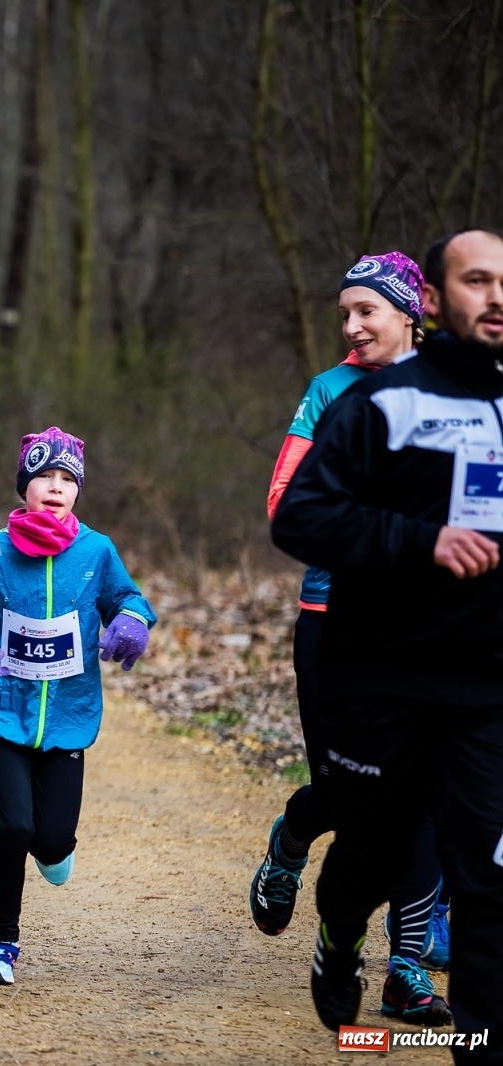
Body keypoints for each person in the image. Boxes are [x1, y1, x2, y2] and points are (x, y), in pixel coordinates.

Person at [272, 228, 503, 1051]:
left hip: (485, 684)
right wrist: (421, 542)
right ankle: (339, 937)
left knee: (479, 870)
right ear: (438, 301)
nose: (498, 296)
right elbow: (296, 515)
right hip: (380, 673)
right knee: (369, 854)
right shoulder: (372, 403)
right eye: (478, 280)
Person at [249, 251, 451, 1024]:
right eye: (344, 313)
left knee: (428, 795)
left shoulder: (459, 389)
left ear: (412, 312)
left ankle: (404, 969)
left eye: (367, 311)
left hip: (434, 625)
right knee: (351, 794)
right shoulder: (330, 391)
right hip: (336, 620)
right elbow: (283, 502)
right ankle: (293, 837)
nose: (352, 327)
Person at [0, 427, 155, 986]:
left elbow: (127, 598)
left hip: (69, 714)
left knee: (52, 838)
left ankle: (53, 846)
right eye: (43, 477)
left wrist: (132, 621)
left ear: (78, 491)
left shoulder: (97, 552)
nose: (55, 487)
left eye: (67, 479)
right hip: (3, 708)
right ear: (24, 487)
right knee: (13, 827)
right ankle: (0, 943)